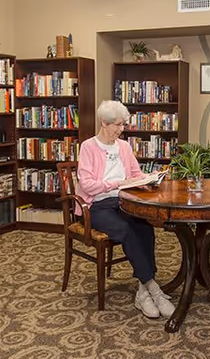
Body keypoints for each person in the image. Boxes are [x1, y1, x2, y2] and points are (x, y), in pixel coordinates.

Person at [75, 100, 175, 319]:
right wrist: (118, 183)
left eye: (123, 125)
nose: (121, 130)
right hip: (96, 206)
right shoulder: (88, 147)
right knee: (126, 231)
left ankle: (142, 292)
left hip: (122, 202)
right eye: (117, 125)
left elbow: (134, 173)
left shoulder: (124, 146)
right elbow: (87, 184)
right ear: (104, 123)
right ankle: (153, 289)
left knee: (144, 228)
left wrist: (148, 178)